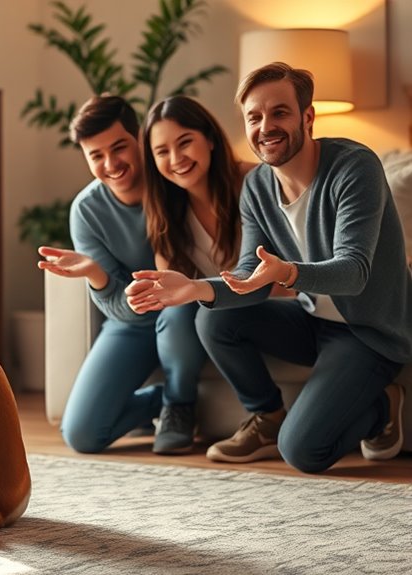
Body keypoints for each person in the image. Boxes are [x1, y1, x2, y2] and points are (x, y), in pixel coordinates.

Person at [126, 62, 411, 473]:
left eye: (280, 112)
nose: (266, 127)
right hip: (314, 321)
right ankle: (266, 417)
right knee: (213, 321)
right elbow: (249, 277)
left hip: (369, 331)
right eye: (254, 117)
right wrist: (194, 288)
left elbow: (355, 271)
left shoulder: (354, 167)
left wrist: (288, 272)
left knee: (303, 452)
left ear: (307, 117)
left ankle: (383, 406)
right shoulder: (258, 186)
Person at [37, 94, 209, 455]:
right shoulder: (86, 210)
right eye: (96, 156)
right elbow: (118, 305)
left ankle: (180, 406)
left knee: (177, 307)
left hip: (185, 311)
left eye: (119, 148)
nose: (111, 163)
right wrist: (98, 276)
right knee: (82, 435)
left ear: (140, 139)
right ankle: (157, 401)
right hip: (130, 323)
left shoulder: (173, 180)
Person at [138, 95, 259, 452]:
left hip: (262, 304)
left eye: (185, 142)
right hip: (203, 314)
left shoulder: (254, 181)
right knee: (175, 307)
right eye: (162, 151)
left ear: (209, 138)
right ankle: (177, 407)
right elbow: (168, 287)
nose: (176, 160)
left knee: (192, 305)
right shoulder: (163, 207)